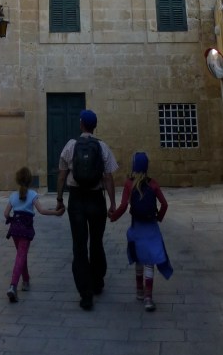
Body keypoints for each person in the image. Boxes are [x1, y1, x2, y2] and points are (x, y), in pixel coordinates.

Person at [56, 109, 118, 310]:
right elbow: (108, 177)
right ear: (95, 126)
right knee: (97, 242)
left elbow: (62, 175)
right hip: (96, 200)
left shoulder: (70, 146)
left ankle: (85, 294)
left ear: (81, 124)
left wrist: (59, 199)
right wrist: (112, 203)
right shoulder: (102, 147)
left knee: (79, 247)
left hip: (77, 200)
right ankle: (97, 282)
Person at [109, 151, 173, 311]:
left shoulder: (129, 184)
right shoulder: (153, 184)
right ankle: (148, 298)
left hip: (136, 227)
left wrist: (113, 217)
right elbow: (164, 204)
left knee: (138, 259)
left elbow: (123, 206)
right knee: (149, 262)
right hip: (151, 227)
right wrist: (159, 217)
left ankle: (139, 291)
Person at [3, 166, 63, 302]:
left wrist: (10, 219)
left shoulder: (13, 196)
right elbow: (41, 210)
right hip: (26, 230)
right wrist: (56, 212)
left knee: (21, 254)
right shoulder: (32, 195)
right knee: (21, 255)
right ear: (30, 181)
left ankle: (26, 280)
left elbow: (6, 213)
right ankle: (13, 285)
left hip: (14, 230)